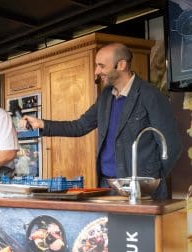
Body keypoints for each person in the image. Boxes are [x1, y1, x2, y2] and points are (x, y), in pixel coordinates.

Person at [22, 43, 182, 200]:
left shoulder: (151, 95)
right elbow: (80, 126)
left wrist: (151, 180)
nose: (97, 71)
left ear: (121, 65)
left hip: (142, 191)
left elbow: (171, 145)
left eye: (101, 66)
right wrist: (42, 124)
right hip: (108, 186)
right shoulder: (106, 96)